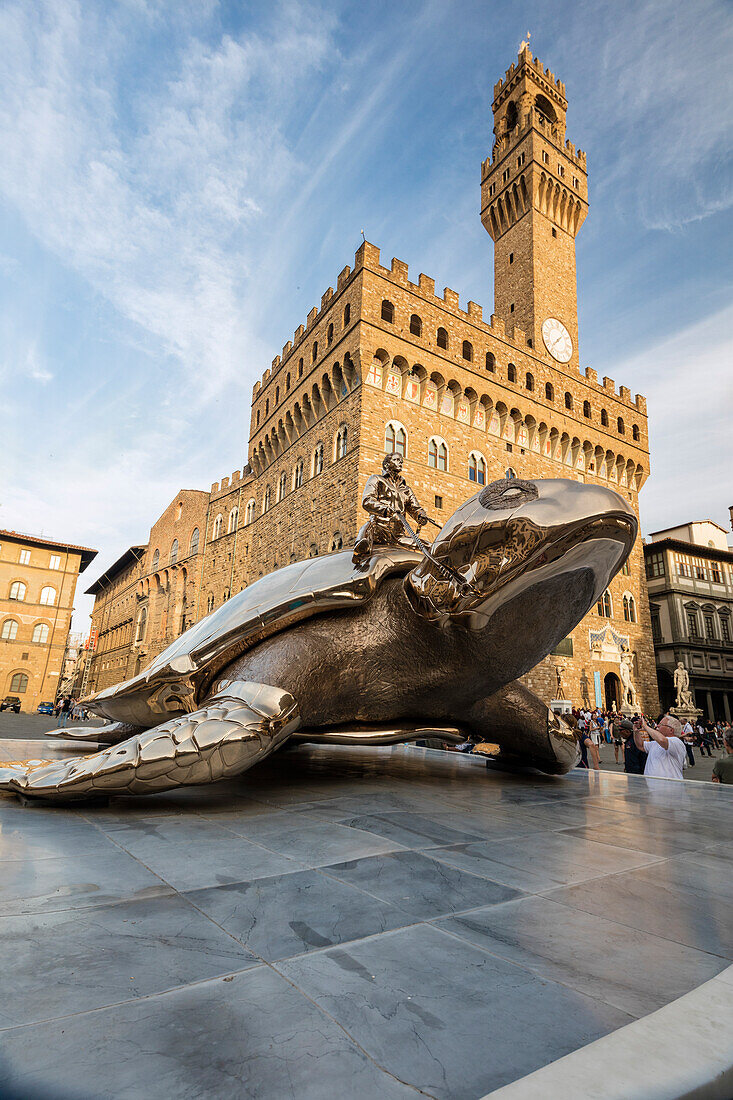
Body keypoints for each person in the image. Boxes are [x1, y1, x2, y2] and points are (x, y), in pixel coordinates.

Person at [353, 452, 428, 563]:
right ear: (387, 464)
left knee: (428, 547)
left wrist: (421, 515)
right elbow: (367, 500)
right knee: (367, 529)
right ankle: (359, 550)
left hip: (398, 535)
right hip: (379, 529)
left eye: (401, 461)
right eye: (397, 460)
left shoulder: (406, 489)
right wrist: (384, 509)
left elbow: (415, 509)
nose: (400, 463)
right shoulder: (376, 479)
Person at [635, 713, 687, 780]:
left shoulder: (676, 742)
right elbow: (641, 746)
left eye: (661, 724)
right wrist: (636, 731)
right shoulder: (655, 743)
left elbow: (662, 740)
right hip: (653, 788)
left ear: (671, 730)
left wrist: (645, 726)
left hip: (670, 788)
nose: (658, 726)